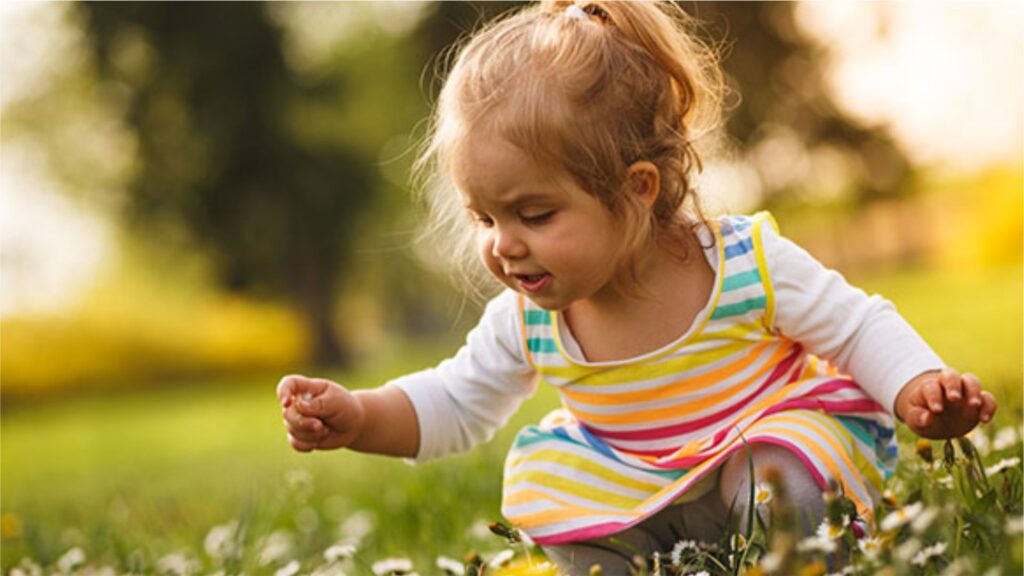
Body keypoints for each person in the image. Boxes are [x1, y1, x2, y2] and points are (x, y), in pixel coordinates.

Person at [277, 2, 998, 573]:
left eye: (535, 213)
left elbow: (857, 326)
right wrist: (360, 417)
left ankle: (795, 561)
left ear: (637, 191)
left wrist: (917, 387)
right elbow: (456, 400)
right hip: (638, 497)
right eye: (483, 217)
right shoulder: (528, 317)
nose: (503, 244)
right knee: (560, 499)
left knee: (778, 476)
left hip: (757, 454)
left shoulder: (743, 266)